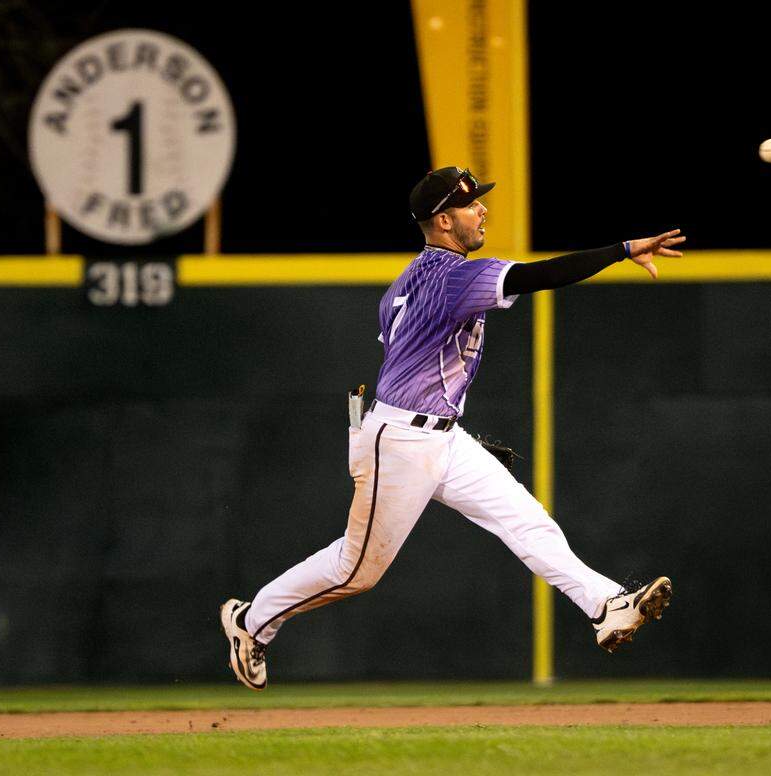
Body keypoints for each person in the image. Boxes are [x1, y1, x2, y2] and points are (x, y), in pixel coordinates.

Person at [220, 166, 685, 690]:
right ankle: (251, 620)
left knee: (527, 521)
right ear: (443, 220)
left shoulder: (405, 283)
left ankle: (606, 605)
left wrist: (448, 440)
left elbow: (412, 360)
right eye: (471, 205)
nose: (482, 209)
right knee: (356, 570)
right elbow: (541, 276)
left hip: (437, 436)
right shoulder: (452, 277)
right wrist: (622, 249)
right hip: (400, 441)